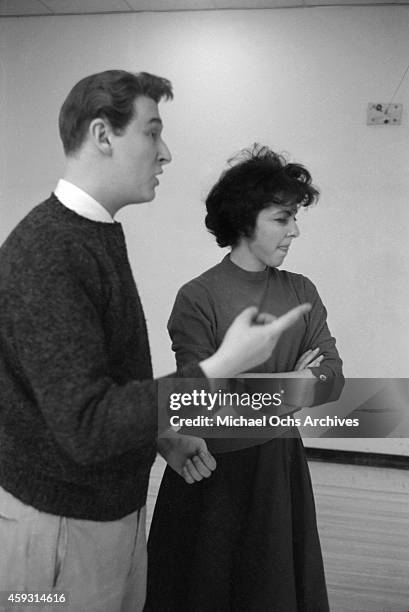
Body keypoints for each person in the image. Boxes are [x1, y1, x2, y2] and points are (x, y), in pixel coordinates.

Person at [0, 74, 310, 612]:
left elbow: (102, 386)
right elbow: (87, 425)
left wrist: (162, 436)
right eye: (152, 132)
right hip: (63, 527)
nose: (165, 154)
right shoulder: (49, 252)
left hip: (106, 511)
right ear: (103, 135)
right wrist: (219, 368)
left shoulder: (93, 234)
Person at [146, 145, 344, 612]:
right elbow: (202, 402)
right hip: (213, 473)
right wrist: (292, 385)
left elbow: (332, 377)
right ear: (244, 219)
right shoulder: (197, 297)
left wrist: (250, 390)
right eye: (282, 218)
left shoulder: (300, 289)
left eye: (294, 217)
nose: (295, 230)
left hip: (279, 467)